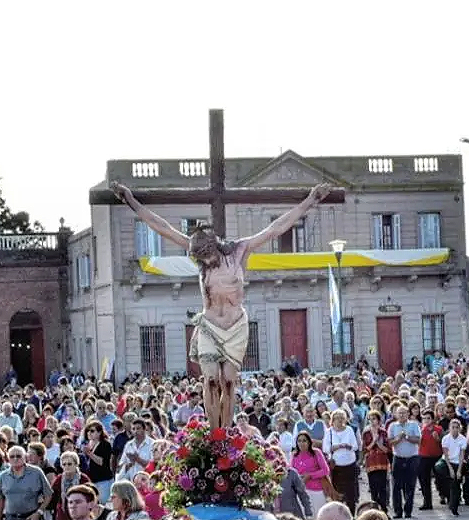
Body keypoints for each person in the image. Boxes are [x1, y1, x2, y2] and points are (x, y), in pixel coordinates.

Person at [110, 181, 332, 427]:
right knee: (211, 379)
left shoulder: (239, 250)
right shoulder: (200, 258)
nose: (204, 261)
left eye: (207, 256)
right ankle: (213, 430)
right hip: (210, 325)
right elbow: (163, 228)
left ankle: (224, 431)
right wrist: (130, 200)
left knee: (228, 381)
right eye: (200, 258)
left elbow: (276, 228)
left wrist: (311, 200)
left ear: (214, 246)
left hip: (236, 325)